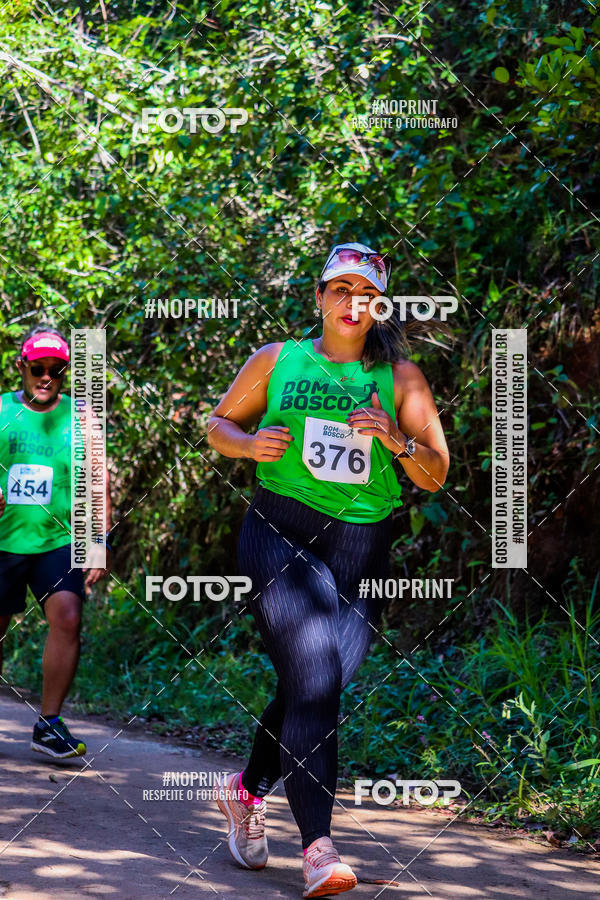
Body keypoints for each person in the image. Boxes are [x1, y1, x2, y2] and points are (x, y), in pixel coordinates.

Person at [208, 242, 450, 897]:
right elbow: (217, 425)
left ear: (380, 307)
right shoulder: (277, 360)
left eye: (366, 294)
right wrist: (249, 444)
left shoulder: (401, 378)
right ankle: (319, 849)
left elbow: (435, 474)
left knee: (315, 687)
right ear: (319, 297)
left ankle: (244, 791)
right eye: (340, 289)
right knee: (314, 677)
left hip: (361, 551)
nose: (352, 303)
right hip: (279, 532)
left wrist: (396, 439)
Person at [0, 326, 112, 759]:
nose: (46, 377)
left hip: (56, 539)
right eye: (38, 368)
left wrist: (98, 541)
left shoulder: (81, 416)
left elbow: (97, 478)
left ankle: (48, 725)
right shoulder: (2, 409)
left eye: (57, 369)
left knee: (67, 616)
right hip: (4, 540)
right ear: (21, 367)